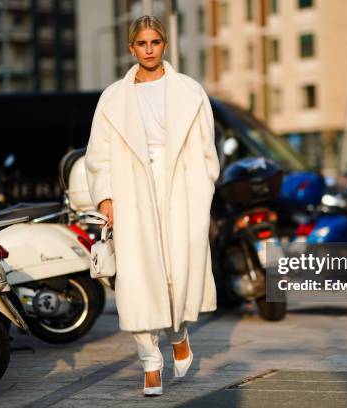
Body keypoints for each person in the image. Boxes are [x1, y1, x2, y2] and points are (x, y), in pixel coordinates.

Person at [84, 15, 220, 397]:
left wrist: (203, 189)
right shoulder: (112, 98)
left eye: (154, 43)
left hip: (182, 188)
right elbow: (100, 155)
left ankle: (178, 334)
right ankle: (150, 361)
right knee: (137, 275)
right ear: (131, 47)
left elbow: (207, 150)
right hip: (132, 189)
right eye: (141, 43)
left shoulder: (190, 92)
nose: (148, 49)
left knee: (177, 269)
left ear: (164, 45)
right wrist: (106, 197)